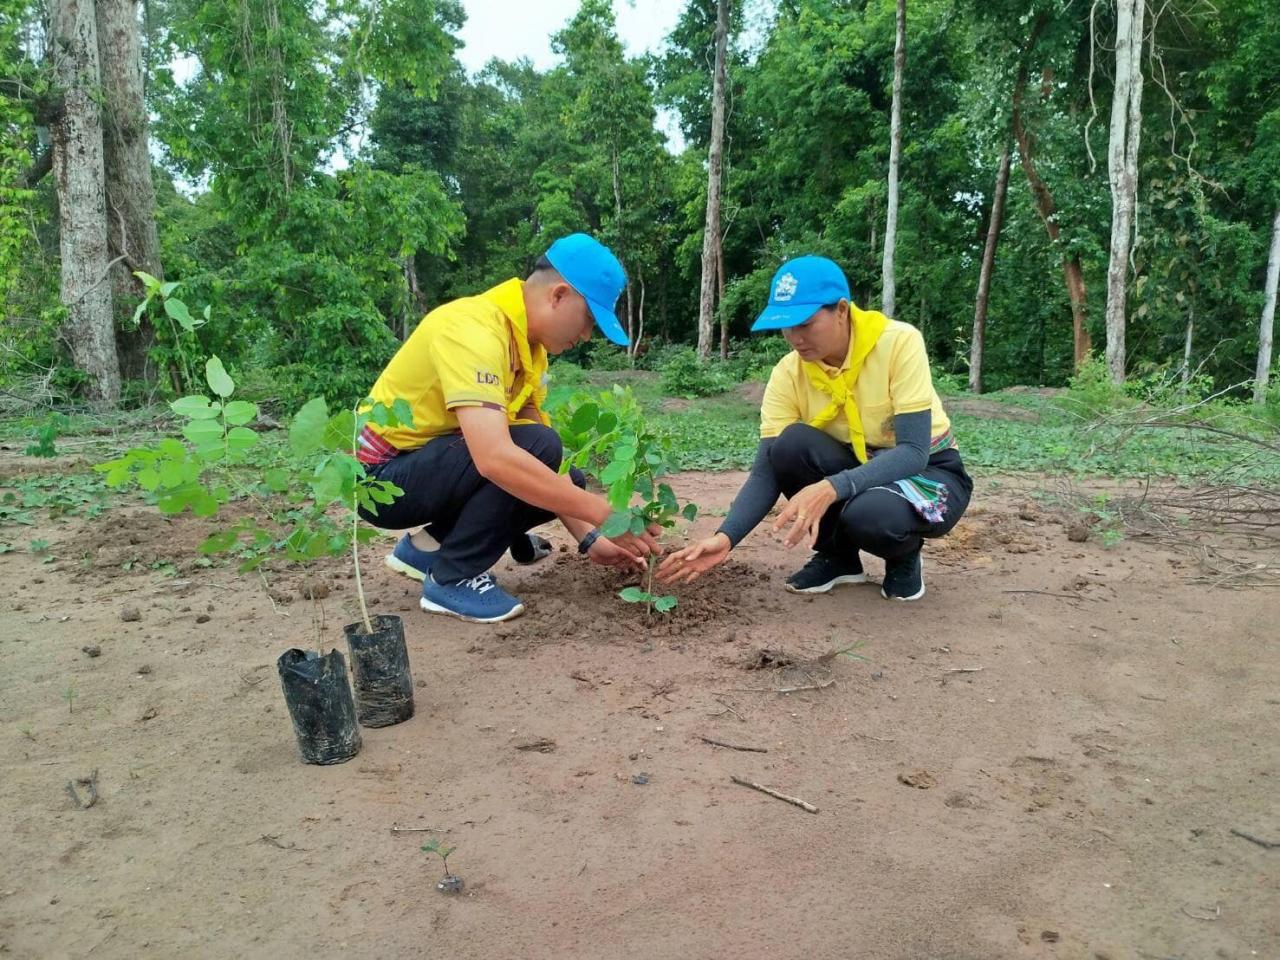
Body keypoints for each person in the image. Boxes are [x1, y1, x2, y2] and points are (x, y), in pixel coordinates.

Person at [356, 233, 660, 624]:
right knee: (536, 449)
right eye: (589, 321)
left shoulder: (528, 349)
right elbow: (495, 457)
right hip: (381, 480)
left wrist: (590, 539)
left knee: (569, 478)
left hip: (427, 466)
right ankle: (452, 578)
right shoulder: (474, 330)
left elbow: (545, 462)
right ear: (559, 295)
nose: (586, 336)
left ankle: (426, 548)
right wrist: (604, 513)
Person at [658, 255, 972, 601]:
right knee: (790, 446)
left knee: (869, 515)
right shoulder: (789, 373)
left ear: (841, 310)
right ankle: (840, 558)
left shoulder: (898, 343)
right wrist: (726, 537)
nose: (794, 338)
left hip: (927, 471)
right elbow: (767, 471)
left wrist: (832, 486)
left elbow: (913, 452)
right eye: (786, 326)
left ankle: (904, 556)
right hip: (859, 470)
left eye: (805, 324)